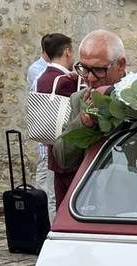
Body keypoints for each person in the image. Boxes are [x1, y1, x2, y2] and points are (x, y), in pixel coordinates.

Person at [51, 30, 127, 208]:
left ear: (121, 65)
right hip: (92, 205)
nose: (90, 78)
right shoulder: (79, 99)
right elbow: (62, 157)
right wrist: (82, 122)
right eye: (85, 69)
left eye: (99, 70)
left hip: (132, 204)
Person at [34, 32, 75, 222]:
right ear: (67, 52)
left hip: (51, 148)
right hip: (68, 151)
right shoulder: (65, 81)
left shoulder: (42, 77)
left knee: (56, 198)